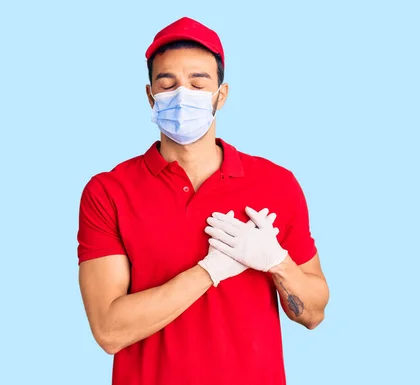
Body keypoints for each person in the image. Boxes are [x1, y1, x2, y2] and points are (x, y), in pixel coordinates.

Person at [77, 16, 329, 385]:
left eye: (198, 83)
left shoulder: (277, 184)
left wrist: (277, 262)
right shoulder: (109, 192)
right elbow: (109, 331)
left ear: (220, 95)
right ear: (150, 95)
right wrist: (209, 271)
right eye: (168, 83)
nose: (183, 95)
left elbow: (313, 313)